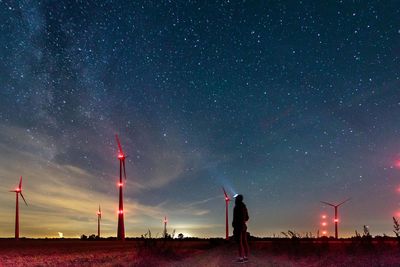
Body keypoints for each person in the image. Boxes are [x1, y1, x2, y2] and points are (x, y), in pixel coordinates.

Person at [232, 194, 249, 263]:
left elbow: (235, 218)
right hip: (244, 226)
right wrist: (243, 221)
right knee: (245, 241)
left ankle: (240, 258)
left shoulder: (237, 207)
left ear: (238, 199)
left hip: (238, 226)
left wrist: (235, 224)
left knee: (239, 242)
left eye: (236, 198)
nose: (235, 199)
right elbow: (247, 218)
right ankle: (246, 257)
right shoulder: (244, 207)